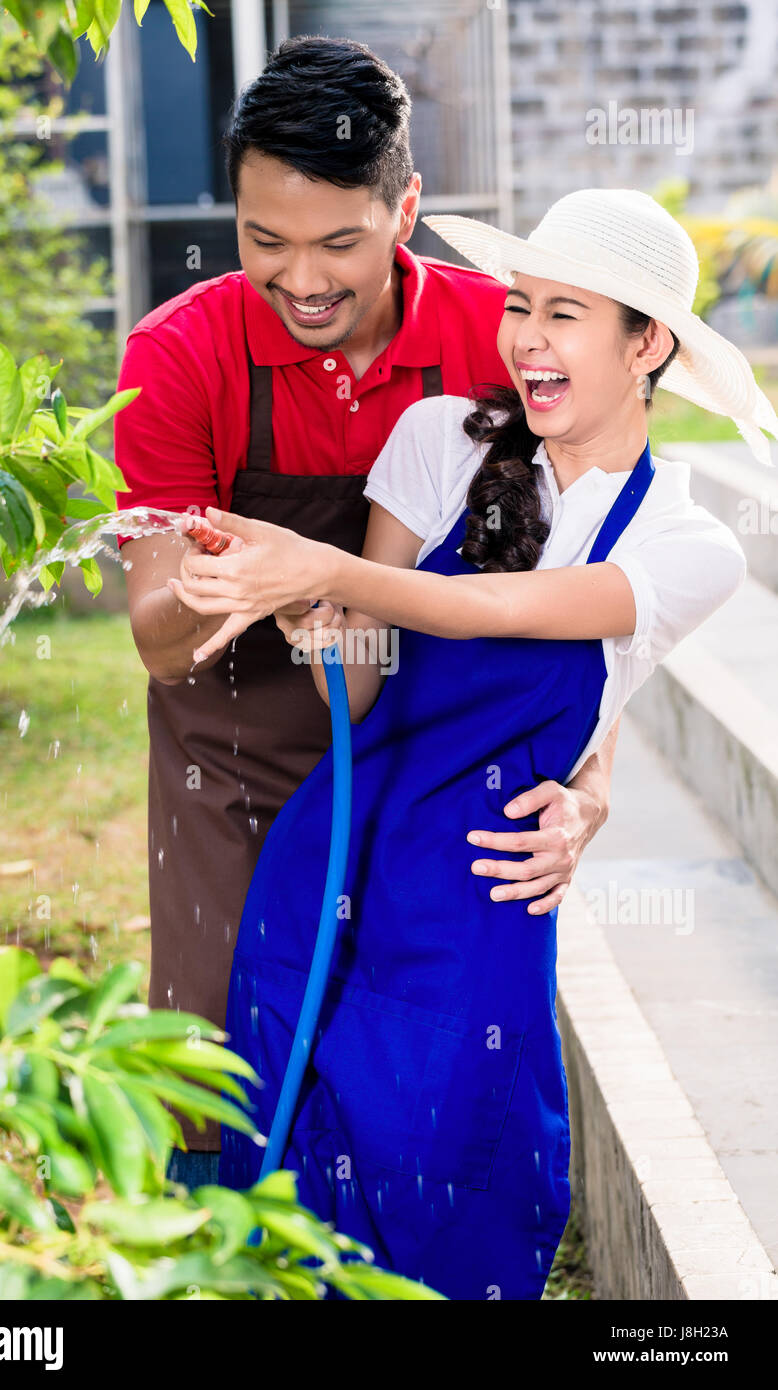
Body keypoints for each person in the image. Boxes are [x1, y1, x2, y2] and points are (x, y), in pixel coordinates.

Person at [166, 188, 776, 1299]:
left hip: (476, 903)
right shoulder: (439, 441)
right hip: (329, 866)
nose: (525, 338)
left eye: (564, 314)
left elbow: (506, 613)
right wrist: (320, 619)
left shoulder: (686, 542)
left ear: (646, 345)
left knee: (450, 1201)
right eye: (518, 306)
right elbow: (360, 686)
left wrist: (326, 569)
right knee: (282, 1196)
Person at [115, 37, 621, 1186]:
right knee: (221, 1066)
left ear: (407, 209)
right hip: (233, 761)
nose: (301, 279)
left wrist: (589, 788)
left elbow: (583, 595)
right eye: (264, 240)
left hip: (442, 758)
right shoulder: (180, 355)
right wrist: (232, 582)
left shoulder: (500, 340)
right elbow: (154, 635)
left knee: (421, 1074)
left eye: (339, 242)